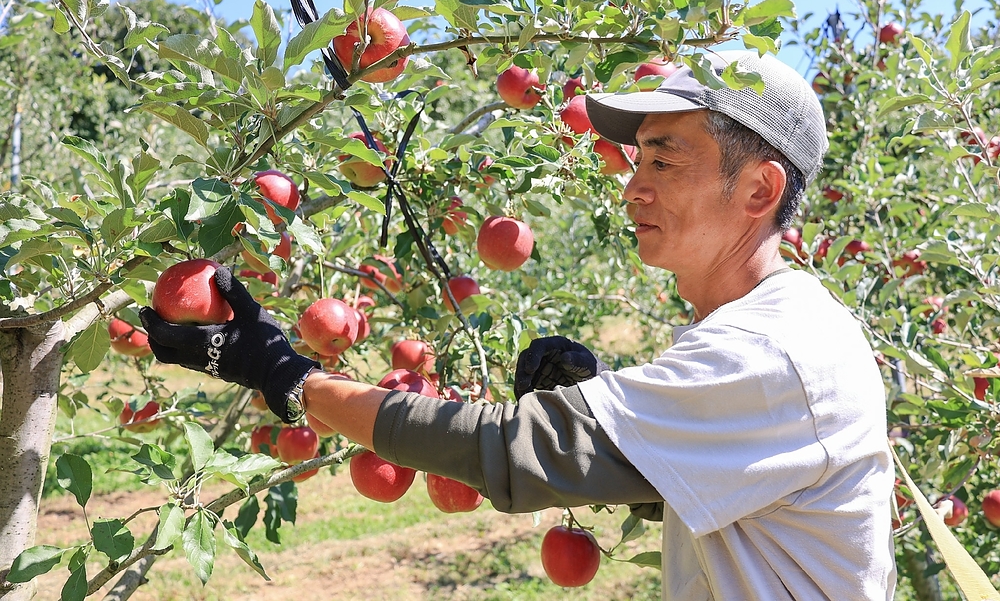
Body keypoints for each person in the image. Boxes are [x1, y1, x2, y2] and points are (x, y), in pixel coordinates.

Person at [140, 50, 896, 600]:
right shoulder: (768, 329)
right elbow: (733, 497)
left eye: (664, 162)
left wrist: (288, 377)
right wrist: (618, 416)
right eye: (637, 161)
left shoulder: (773, 348)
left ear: (759, 188)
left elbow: (507, 450)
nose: (632, 186)